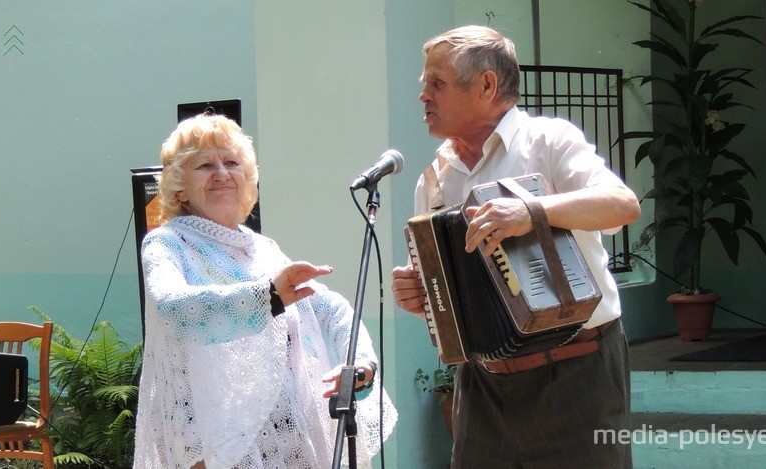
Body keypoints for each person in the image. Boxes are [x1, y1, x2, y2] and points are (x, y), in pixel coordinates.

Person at [392, 26, 640, 468]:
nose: (424, 96)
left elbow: (622, 205)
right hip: (482, 386)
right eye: (424, 85)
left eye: (438, 83)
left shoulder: (549, 140)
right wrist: (422, 298)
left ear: (486, 85)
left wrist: (532, 211)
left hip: (577, 373)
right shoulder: (433, 181)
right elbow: (451, 300)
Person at [133, 113, 397, 469]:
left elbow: (332, 310)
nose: (222, 174)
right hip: (207, 445)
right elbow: (173, 307)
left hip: (285, 442)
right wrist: (267, 297)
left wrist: (361, 363)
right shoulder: (167, 243)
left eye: (231, 162)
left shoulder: (263, 249)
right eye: (205, 165)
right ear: (179, 185)